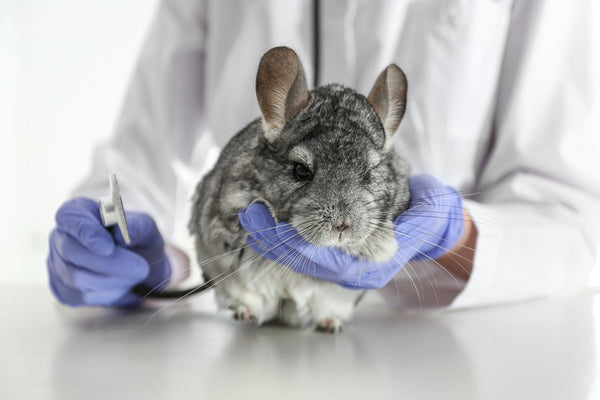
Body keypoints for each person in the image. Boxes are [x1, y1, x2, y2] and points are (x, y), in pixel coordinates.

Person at [47, 0, 600, 309]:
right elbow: (139, 161)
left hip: (453, 357)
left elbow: (572, 213)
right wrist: (140, 255)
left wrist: (453, 237)